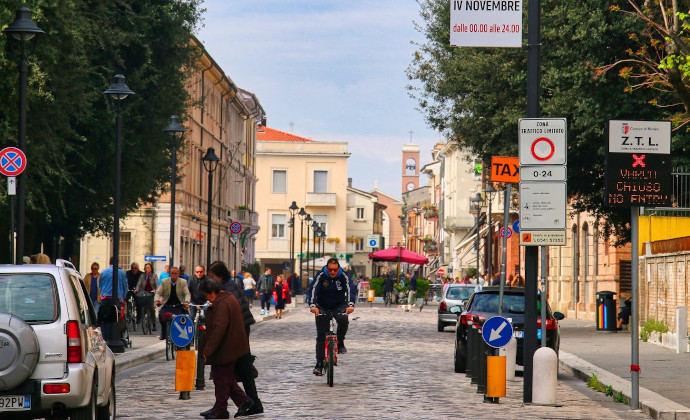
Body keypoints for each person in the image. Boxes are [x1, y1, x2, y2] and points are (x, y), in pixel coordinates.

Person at [207, 261, 263, 415]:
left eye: (212, 276)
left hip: (238, 330)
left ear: (218, 275)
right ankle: (247, 403)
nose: (210, 280)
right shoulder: (227, 285)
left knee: (228, 370)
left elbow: (231, 314)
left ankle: (245, 404)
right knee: (237, 370)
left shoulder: (227, 288)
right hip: (240, 329)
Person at [198, 277, 254, 419]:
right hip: (231, 346)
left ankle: (221, 409)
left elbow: (219, 328)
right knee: (225, 378)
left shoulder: (222, 303)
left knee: (222, 379)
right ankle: (241, 402)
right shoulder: (228, 298)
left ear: (212, 292)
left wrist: (208, 349)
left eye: (206, 295)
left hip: (226, 348)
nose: (207, 299)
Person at [308, 258, 356, 376]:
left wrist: (350, 304)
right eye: (330, 270)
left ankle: (340, 342)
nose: (332, 272)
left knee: (343, 319)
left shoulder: (343, 276)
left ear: (338, 268)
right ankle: (319, 364)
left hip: (339, 305)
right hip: (322, 306)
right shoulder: (321, 275)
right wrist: (313, 305)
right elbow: (313, 289)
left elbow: (350, 289)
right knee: (321, 336)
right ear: (327, 268)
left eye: (335, 270)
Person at [154, 267, 190, 341]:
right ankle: (164, 332)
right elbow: (158, 293)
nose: (173, 275)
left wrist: (186, 302)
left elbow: (187, 294)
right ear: (169, 274)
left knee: (181, 319)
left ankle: (179, 336)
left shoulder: (183, 282)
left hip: (178, 306)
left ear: (178, 274)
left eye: (175, 273)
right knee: (161, 315)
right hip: (167, 305)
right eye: (172, 273)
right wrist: (156, 301)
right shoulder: (164, 282)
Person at [98, 257, 128, 346]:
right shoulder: (122, 273)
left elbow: (100, 285)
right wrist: (124, 298)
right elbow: (125, 286)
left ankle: (104, 338)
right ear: (118, 262)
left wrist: (103, 294)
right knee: (115, 319)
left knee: (104, 319)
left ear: (109, 262)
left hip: (105, 298)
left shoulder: (103, 272)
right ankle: (114, 337)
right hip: (116, 299)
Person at [134, 263, 158, 330]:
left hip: (151, 293)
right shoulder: (142, 276)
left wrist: (156, 290)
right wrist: (137, 289)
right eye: (146, 267)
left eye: (148, 267)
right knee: (142, 306)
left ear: (151, 269)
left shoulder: (154, 276)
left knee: (151, 308)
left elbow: (157, 284)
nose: (147, 269)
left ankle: (154, 324)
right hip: (144, 292)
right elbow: (139, 284)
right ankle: (142, 318)